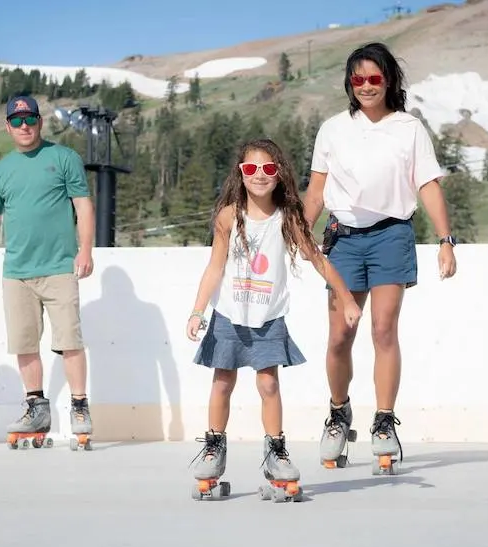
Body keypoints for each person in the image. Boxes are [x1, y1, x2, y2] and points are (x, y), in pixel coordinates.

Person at [303, 42, 458, 473]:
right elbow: (316, 191)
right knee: (339, 337)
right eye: (358, 79)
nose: (366, 86)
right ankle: (338, 412)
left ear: (388, 80)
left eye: (374, 78)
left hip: (392, 235)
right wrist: (296, 232)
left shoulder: (409, 128)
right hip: (344, 240)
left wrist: (446, 239)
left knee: (384, 330)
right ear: (349, 85)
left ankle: (385, 422)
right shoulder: (333, 129)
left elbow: (427, 184)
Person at [186, 138, 362, 497]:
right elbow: (214, 267)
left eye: (268, 169)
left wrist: (346, 298)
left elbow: (317, 258)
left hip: (268, 316)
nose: (259, 176)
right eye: (251, 169)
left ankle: (275, 451)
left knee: (268, 384)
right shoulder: (227, 217)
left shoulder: (288, 218)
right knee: (222, 383)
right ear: (241, 173)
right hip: (229, 315)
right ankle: (214, 447)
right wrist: (197, 310)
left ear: (279, 173)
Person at [0, 95, 96, 443]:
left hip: (60, 267)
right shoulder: (2, 171)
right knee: (25, 343)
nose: (24, 126)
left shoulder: (64, 158)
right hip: (17, 272)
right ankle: (36, 408)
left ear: (40, 122)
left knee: (70, 341)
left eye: (30, 119)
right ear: (7, 127)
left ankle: (79, 405)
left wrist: (86, 250)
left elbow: (83, 204)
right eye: (16, 122)